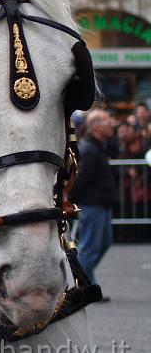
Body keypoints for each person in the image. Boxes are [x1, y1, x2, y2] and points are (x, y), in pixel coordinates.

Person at [72, 109, 116, 294]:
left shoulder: (96, 146)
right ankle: (80, 284)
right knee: (90, 247)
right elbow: (80, 180)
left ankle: (85, 279)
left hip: (100, 205)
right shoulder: (89, 149)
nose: (112, 125)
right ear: (97, 127)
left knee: (103, 242)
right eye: (107, 122)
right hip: (91, 205)